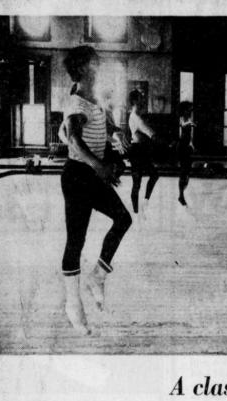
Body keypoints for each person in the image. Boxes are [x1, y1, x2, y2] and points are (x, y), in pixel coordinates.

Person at [59, 46, 132, 334]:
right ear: (83, 70)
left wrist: (115, 134)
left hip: (93, 175)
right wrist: (98, 165)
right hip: (78, 176)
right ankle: (72, 303)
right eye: (95, 64)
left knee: (123, 218)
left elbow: (107, 125)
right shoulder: (76, 105)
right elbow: (74, 140)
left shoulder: (96, 100)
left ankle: (98, 276)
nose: (99, 67)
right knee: (76, 240)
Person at [128, 89, 161, 214]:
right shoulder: (136, 117)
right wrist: (166, 142)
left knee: (153, 174)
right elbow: (151, 133)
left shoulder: (137, 115)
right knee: (137, 182)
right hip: (136, 151)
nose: (143, 100)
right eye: (141, 98)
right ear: (135, 100)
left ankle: (145, 202)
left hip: (141, 150)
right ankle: (136, 211)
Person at [176, 101, 196, 206]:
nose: (191, 110)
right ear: (184, 109)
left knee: (187, 170)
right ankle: (181, 195)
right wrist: (190, 123)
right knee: (183, 171)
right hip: (182, 147)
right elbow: (183, 126)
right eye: (189, 108)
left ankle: (182, 191)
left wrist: (192, 143)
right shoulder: (183, 118)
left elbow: (189, 135)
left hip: (187, 146)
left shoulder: (188, 119)